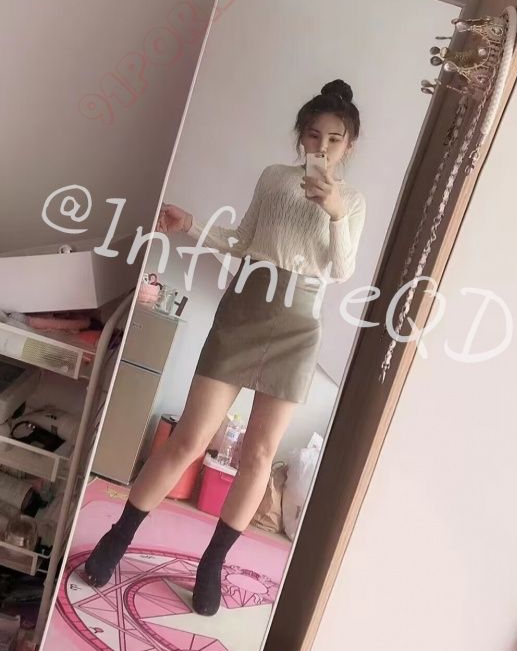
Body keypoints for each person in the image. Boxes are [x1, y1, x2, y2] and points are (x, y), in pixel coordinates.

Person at [84, 79, 367, 616]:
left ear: (349, 145)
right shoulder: (274, 178)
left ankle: (211, 563)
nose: (323, 147)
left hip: (299, 325)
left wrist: (333, 211)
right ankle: (118, 536)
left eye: (335, 139)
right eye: (314, 135)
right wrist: (192, 226)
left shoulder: (351, 201)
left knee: (258, 455)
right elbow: (243, 241)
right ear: (301, 137)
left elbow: (342, 269)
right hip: (243, 309)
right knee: (189, 438)